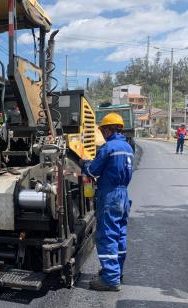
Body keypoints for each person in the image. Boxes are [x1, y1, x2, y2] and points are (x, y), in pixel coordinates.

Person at [81, 113, 134, 291]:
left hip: (110, 195)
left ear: (109, 130)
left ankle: (110, 279)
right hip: (123, 195)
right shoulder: (127, 147)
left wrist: (84, 163)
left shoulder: (108, 147)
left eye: (103, 130)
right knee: (120, 235)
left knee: (107, 235)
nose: (102, 133)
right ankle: (117, 272)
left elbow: (93, 170)